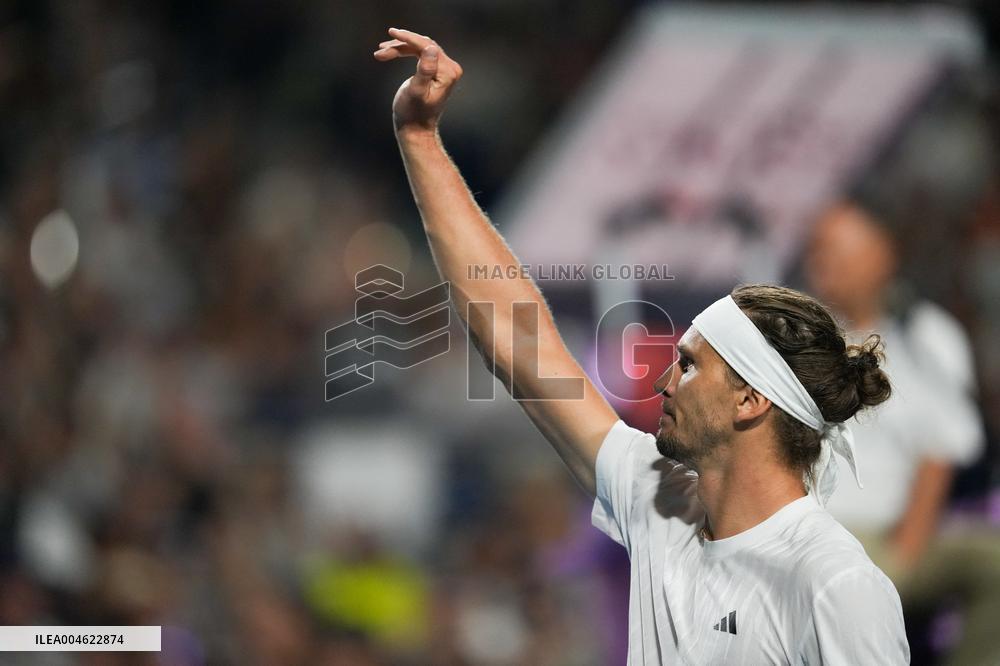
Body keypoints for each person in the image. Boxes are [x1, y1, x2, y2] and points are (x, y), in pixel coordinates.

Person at [374, 29, 909, 663]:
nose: (661, 381)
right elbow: (518, 339)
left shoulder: (837, 583)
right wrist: (420, 137)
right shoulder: (657, 498)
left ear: (749, 400)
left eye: (689, 366)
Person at [807, 200, 1000, 666]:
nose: (823, 262)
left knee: (993, 563)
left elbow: (942, 452)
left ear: (882, 255)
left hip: (896, 532)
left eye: (838, 249)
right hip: (816, 530)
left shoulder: (927, 337)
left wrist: (903, 557)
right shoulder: (796, 339)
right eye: (817, 249)